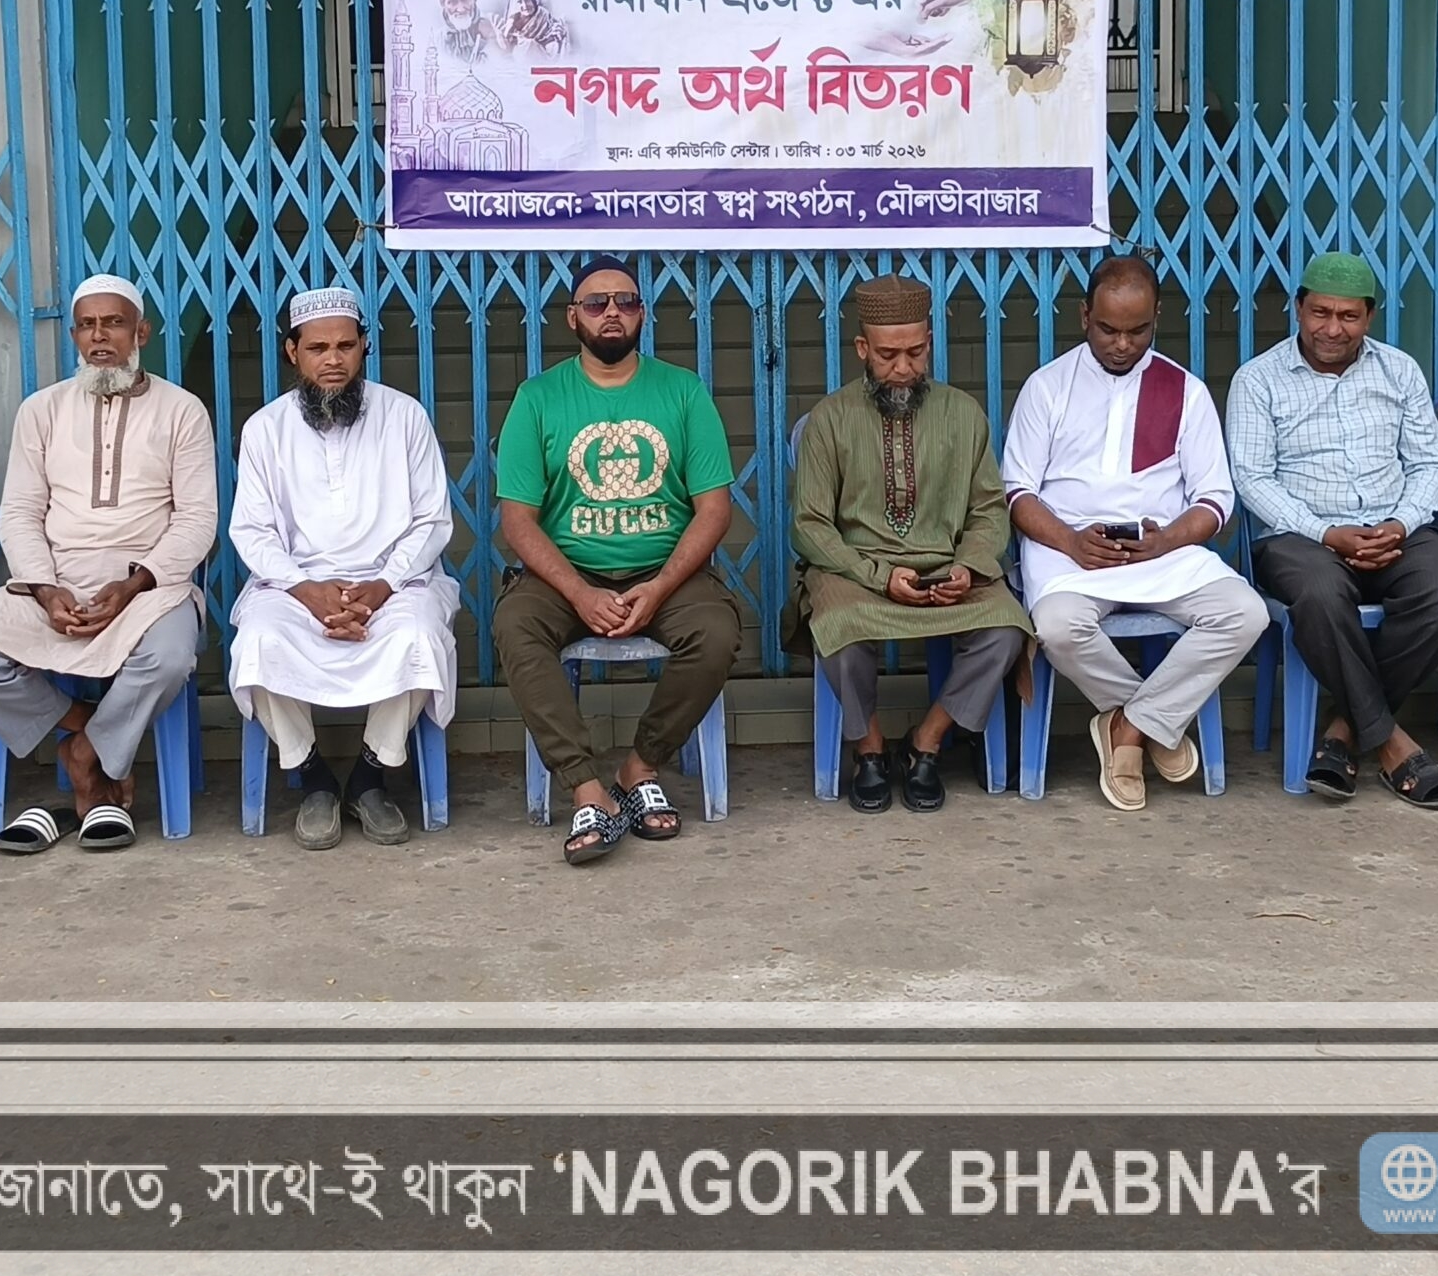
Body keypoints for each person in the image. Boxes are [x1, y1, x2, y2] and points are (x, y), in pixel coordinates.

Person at [0, 276, 218, 854]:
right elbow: (20, 512)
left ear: (141, 333)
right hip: (56, 581)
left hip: (148, 587)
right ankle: (85, 726)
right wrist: (45, 590)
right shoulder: (41, 410)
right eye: (87, 326)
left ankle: (86, 755)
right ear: (73, 335)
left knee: (168, 658)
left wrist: (133, 584)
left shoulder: (182, 410)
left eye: (114, 323)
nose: (99, 337)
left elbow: (197, 520)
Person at [494, 254, 743, 866]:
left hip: (666, 572)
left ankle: (640, 767)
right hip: (566, 576)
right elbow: (517, 520)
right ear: (571, 316)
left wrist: (660, 587)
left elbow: (714, 510)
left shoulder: (682, 391)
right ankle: (588, 790)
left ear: (643, 315)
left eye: (626, 302)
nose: (612, 313)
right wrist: (580, 594)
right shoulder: (537, 398)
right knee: (515, 625)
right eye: (597, 303)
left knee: (716, 632)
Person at [1000, 257, 1266, 810]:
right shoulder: (1047, 387)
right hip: (1070, 551)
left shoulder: (1185, 390)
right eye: (1108, 330)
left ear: (1157, 318)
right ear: (1084, 316)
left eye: (1138, 331)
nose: (1123, 345)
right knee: (1057, 626)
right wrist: (1072, 541)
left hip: (1160, 551)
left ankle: (1129, 727)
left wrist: (1166, 540)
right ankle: (1153, 724)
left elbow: (1216, 499)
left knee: (1245, 613)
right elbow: (1017, 493)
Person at [1227, 253, 1438, 809]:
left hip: (1395, 526)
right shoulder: (1258, 379)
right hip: (1298, 536)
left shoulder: (1399, 371)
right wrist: (1325, 533)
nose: (1332, 329)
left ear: (1370, 316)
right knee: (1319, 595)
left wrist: (1400, 522)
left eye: (1348, 316)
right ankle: (1394, 746)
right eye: (1320, 313)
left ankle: (1345, 730)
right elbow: (1252, 478)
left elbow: (1429, 463)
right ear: (1298, 309)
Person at [228, 287, 459, 850]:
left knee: (418, 636)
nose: (333, 360)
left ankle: (369, 776)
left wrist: (380, 587)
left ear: (364, 347)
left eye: (345, 346)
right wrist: (307, 590)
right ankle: (312, 778)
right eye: (317, 348)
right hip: (294, 586)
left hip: (395, 582)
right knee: (258, 640)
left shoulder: (405, 417)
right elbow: (252, 531)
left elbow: (431, 520)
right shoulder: (264, 429)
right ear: (292, 352)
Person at [791, 274, 1031, 813]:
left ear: (930, 343)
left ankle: (927, 741)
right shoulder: (829, 420)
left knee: (1006, 629)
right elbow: (809, 525)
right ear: (862, 349)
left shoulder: (964, 415)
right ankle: (870, 749)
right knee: (837, 627)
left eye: (916, 352)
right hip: (857, 573)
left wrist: (968, 566)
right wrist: (878, 577)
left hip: (945, 571)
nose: (903, 368)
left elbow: (989, 510)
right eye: (887, 355)